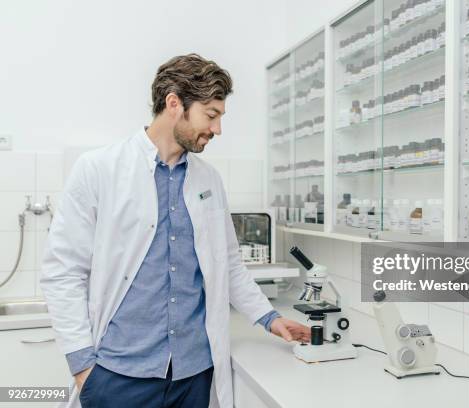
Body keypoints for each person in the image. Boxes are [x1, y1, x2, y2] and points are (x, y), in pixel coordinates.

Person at [40, 53, 310, 408]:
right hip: (119, 376)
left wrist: (270, 318)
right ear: (173, 104)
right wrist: (82, 367)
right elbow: (63, 270)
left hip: (192, 376)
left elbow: (228, 263)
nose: (217, 129)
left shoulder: (208, 180)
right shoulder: (99, 169)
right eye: (210, 115)